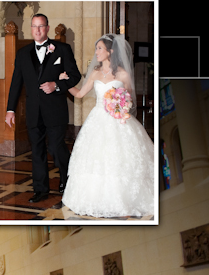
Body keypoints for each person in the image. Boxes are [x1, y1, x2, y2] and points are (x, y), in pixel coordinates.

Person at [59, 34, 154, 218]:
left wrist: (121, 104)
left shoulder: (123, 74)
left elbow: (129, 98)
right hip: (97, 120)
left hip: (118, 120)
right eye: (97, 49)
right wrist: (64, 82)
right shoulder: (95, 73)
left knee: (120, 158)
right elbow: (79, 94)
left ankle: (123, 198)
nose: (96, 52)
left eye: (100, 48)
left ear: (110, 51)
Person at [5, 14, 81, 202]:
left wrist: (56, 85)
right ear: (31, 29)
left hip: (55, 110)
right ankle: (40, 190)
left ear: (47, 28)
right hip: (33, 111)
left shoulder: (62, 49)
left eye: (41, 26)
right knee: (37, 151)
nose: (37, 30)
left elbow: (75, 76)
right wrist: (10, 109)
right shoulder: (22, 54)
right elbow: (16, 83)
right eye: (34, 27)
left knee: (56, 148)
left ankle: (67, 178)